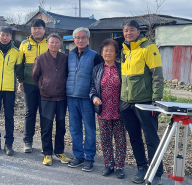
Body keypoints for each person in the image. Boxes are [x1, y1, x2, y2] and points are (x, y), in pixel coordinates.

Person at [120, 20, 164, 185]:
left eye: (131, 30)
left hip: (145, 102)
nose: (128, 33)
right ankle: (141, 167)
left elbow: (157, 76)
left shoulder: (148, 47)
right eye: (125, 30)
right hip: (125, 102)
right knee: (134, 137)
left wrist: (157, 101)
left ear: (139, 31)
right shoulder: (125, 50)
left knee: (151, 137)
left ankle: (157, 171)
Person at [89, 38, 126, 179]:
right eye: (106, 51)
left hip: (120, 110)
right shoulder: (97, 69)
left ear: (116, 52)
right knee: (105, 139)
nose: (108, 53)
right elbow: (92, 86)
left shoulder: (122, 68)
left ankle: (120, 166)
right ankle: (109, 164)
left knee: (120, 140)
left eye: (111, 50)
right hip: (103, 110)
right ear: (102, 53)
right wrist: (94, 97)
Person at [32, 33, 70, 166]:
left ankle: (59, 151)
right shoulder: (41, 58)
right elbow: (35, 76)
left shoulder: (65, 58)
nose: (54, 45)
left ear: (60, 44)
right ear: (47, 44)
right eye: (52, 42)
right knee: (46, 127)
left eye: (56, 42)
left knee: (61, 127)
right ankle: (47, 153)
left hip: (61, 98)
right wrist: (43, 87)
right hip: (46, 98)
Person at [66, 27, 101, 172]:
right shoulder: (69, 55)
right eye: (77, 38)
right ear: (73, 39)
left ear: (88, 38)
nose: (80, 40)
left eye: (83, 37)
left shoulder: (94, 56)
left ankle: (89, 157)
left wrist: (96, 96)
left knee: (89, 128)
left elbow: (98, 78)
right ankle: (78, 155)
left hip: (87, 98)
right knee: (74, 128)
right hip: (71, 96)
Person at [0, 27, 22, 156]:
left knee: (9, 117)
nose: (5, 37)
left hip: (9, 89)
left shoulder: (16, 52)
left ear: (11, 36)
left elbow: (18, 71)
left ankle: (9, 144)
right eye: (2, 35)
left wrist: (20, 83)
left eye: (7, 35)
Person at [18, 19, 48, 153]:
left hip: (46, 85)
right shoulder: (24, 44)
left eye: (39, 28)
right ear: (31, 30)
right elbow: (20, 64)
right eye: (34, 28)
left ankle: (45, 143)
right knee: (30, 113)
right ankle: (27, 141)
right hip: (29, 84)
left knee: (44, 114)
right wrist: (20, 80)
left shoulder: (50, 43)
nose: (37, 31)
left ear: (44, 30)